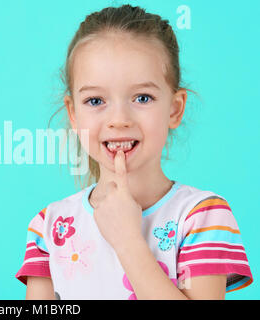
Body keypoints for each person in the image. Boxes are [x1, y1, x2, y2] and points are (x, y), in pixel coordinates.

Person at [15, 4, 253, 300]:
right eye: (95, 100)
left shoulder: (202, 217)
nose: (119, 119)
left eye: (143, 97)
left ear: (175, 109)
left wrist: (128, 240)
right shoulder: (51, 226)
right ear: (73, 114)